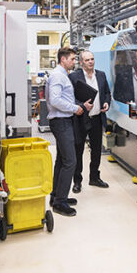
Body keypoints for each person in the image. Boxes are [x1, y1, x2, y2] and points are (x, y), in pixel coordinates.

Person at [46, 47, 91, 217]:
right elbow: (56, 99)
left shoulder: (62, 75)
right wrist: (75, 108)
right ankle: (60, 203)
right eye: (72, 59)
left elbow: (63, 98)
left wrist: (80, 106)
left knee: (62, 160)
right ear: (63, 59)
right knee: (70, 161)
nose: (74, 62)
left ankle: (56, 195)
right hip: (61, 122)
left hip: (64, 121)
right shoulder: (58, 75)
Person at [68, 50, 111, 193]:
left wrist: (106, 103)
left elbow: (106, 93)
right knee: (78, 150)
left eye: (92, 59)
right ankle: (77, 181)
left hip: (97, 118)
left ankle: (94, 177)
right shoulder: (74, 77)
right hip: (80, 119)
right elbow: (69, 98)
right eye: (87, 60)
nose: (91, 62)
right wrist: (81, 105)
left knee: (97, 150)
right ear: (81, 62)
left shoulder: (101, 75)